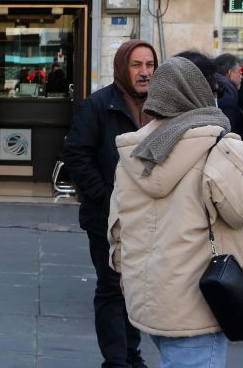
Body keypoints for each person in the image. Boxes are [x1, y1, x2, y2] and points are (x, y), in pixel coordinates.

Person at [109, 56, 243, 368]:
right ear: (200, 94)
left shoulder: (134, 150)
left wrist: (123, 271)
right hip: (200, 301)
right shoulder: (217, 145)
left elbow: (117, 223)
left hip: (150, 297)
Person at [62, 39, 157, 368]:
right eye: (137, 65)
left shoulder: (162, 108)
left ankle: (132, 354)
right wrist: (104, 196)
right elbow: (76, 153)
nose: (145, 73)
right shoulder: (99, 105)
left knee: (137, 290)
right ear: (122, 68)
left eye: (149, 65)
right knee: (111, 288)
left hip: (149, 219)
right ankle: (116, 361)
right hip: (106, 217)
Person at [213, 53, 243, 136]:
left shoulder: (214, 91)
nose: (241, 77)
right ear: (230, 73)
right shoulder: (227, 100)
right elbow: (227, 134)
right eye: (239, 72)